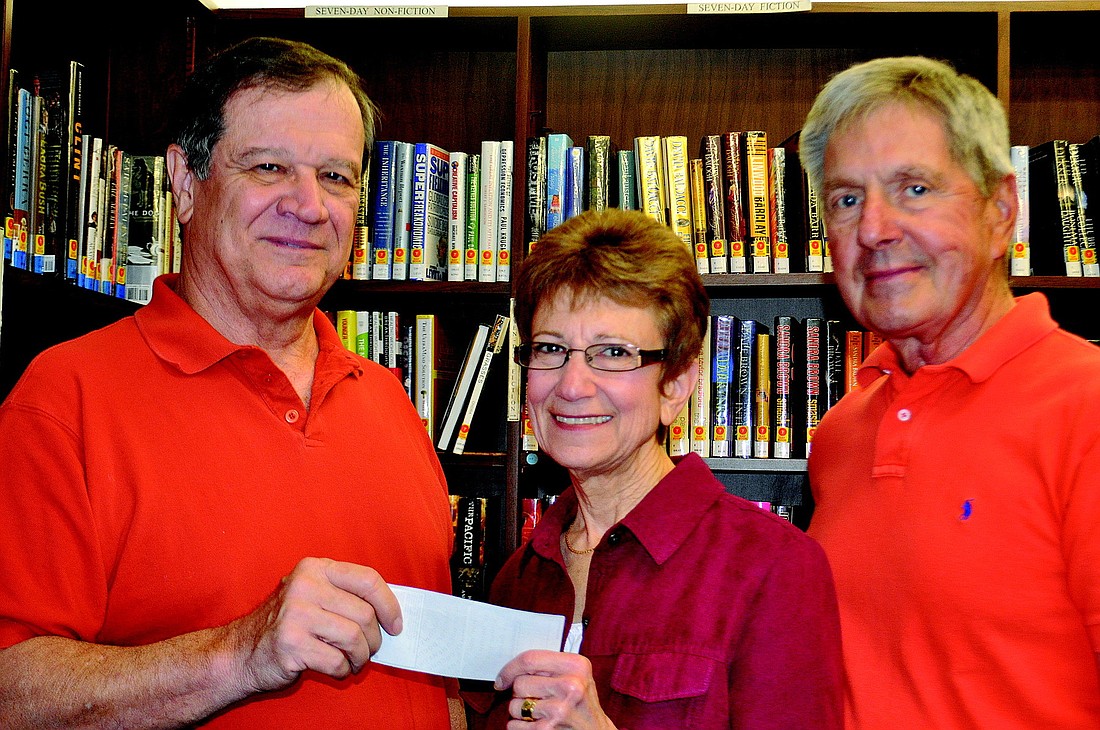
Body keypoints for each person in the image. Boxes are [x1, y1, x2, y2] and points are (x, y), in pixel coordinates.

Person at [0, 37, 462, 727]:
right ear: (186, 182)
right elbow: (11, 690)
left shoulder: (389, 400)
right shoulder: (65, 399)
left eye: (337, 177)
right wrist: (241, 655)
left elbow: (431, 688)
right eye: (270, 167)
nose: (309, 206)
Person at [799, 55, 1100, 728]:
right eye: (847, 199)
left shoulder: (1087, 409)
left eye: (914, 189)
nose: (874, 229)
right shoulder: (841, 433)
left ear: (1001, 211)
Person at [468, 208, 844, 729]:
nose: (572, 385)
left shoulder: (774, 569)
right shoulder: (519, 577)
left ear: (676, 386)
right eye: (551, 349)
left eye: (613, 353)